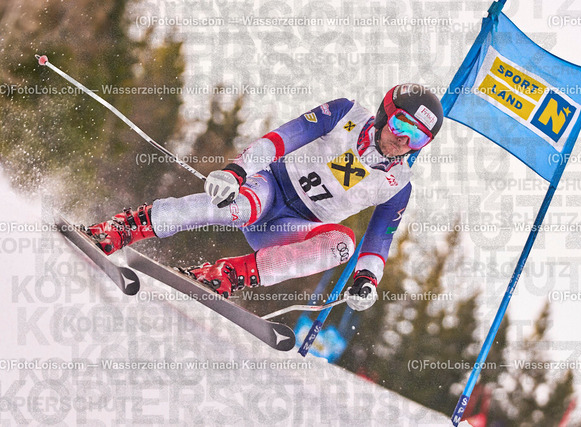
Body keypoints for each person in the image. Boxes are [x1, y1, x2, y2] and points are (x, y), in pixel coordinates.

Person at [86, 83, 443, 311]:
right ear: (384, 114)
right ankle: (125, 227)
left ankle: (225, 275)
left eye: (418, 138)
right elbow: (282, 138)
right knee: (238, 207)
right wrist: (236, 171)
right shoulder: (344, 114)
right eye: (401, 125)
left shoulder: (398, 184)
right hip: (270, 187)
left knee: (342, 246)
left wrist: (367, 280)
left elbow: (379, 239)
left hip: (292, 227)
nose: (403, 141)